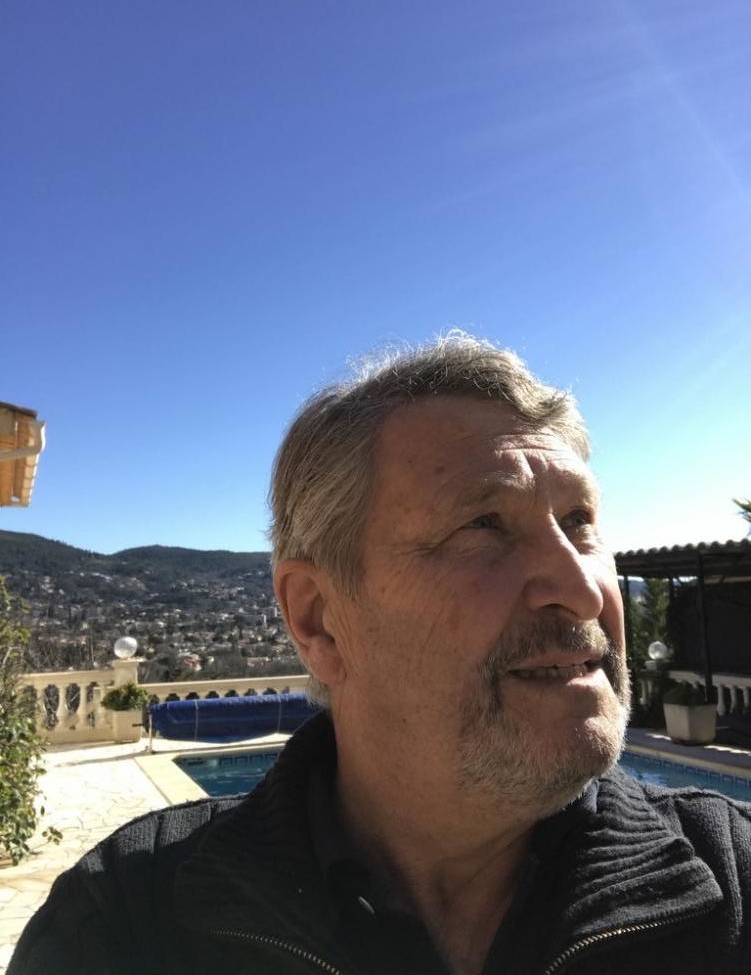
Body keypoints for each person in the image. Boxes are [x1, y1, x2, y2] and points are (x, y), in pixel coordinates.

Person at [10, 333, 751, 975]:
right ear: (319, 619)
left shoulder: (735, 879)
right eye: (483, 525)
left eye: (579, 520)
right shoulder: (124, 923)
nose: (582, 590)